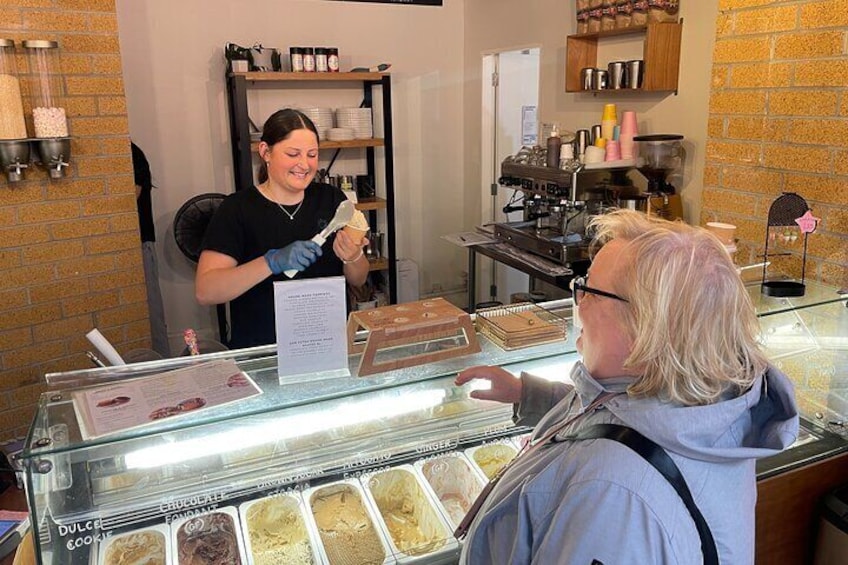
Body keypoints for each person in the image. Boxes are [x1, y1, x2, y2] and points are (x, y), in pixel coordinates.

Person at [455, 210, 799, 564]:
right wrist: (527, 393)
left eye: (589, 290)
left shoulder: (612, 497)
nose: (580, 303)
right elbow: (619, 420)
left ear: (646, 329)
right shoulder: (705, 403)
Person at [196, 109, 368, 349]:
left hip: (328, 343)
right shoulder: (237, 209)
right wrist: (271, 262)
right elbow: (206, 291)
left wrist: (354, 257)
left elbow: (359, 279)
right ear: (265, 151)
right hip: (263, 351)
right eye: (293, 154)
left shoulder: (332, 200)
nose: (304, 164)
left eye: (312, 154)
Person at [132, 141, 170, 357]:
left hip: (139, 243)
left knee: (150, 313)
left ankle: (162, 372)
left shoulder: (130, 153)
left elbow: (125, 201)